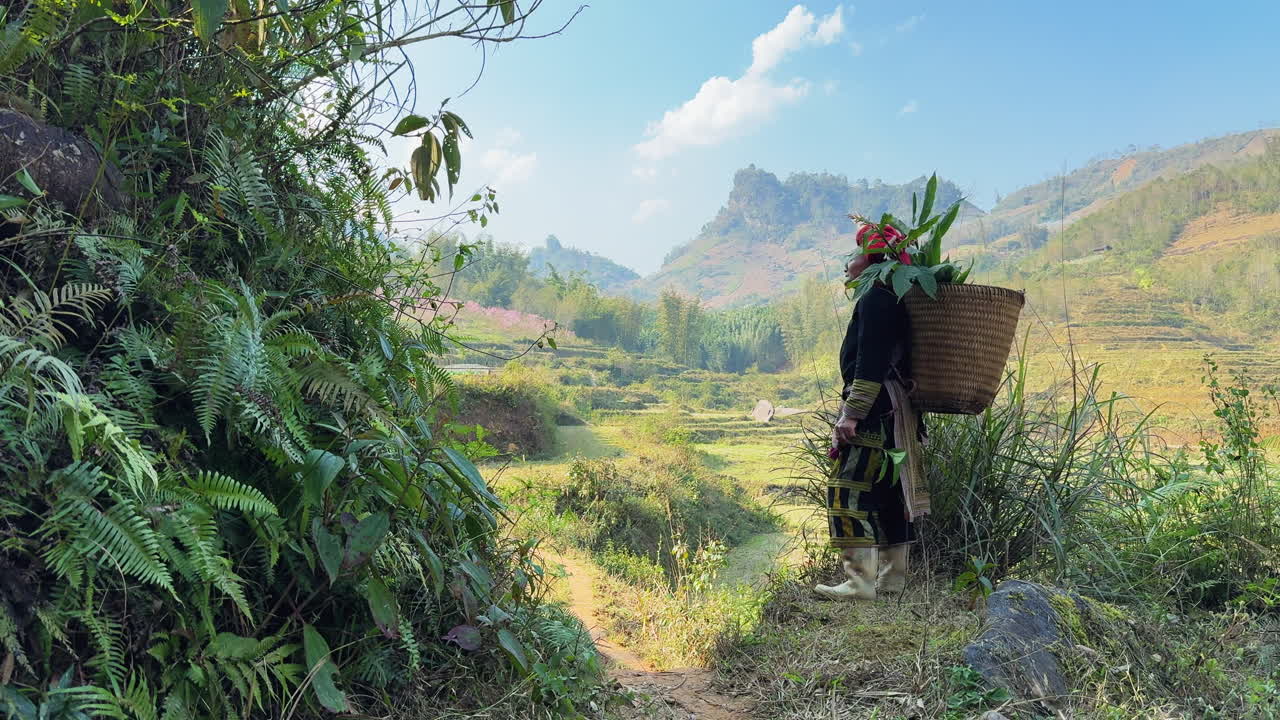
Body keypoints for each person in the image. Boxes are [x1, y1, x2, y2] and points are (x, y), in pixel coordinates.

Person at [814, 223, 928, 601]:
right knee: (889, 491)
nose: (848, 263)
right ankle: (892, 582)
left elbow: (870, 363)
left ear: (873, 260)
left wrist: (851, 413)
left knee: (848, 488)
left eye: (855, 254)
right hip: (898, 414)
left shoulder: (876, 299)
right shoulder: (893, 297)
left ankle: (859, 583)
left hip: (875, 412)